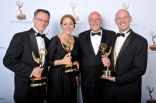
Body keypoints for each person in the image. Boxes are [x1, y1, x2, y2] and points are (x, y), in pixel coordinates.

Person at [3, 9, 50, 103]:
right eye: (40, 19)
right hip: (25, 91)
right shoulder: (20, 37)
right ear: (33, 20)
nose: (43, 23)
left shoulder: (47, 41)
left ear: (48, 23)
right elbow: (8, 60)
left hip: (41, 92)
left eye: (46, 21)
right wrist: (31, 71)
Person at [101, 9, 148, 103]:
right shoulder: (113, 38)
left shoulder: (140, 41)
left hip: (128, 91)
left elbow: (139, 69)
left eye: (125, 17)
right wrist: (109, 62)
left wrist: (117, 79)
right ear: (115, 21)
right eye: (119, 18)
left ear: (130, 19)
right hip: (110, 89)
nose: (122, 20)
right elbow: (117, 59)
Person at [79, 11, 115, 103]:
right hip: (87, 80)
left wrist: (110, 62)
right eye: (92, 19)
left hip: (106, 80)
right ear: (88, 21)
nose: (94, 21)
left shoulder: (111, 35)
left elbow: (117, 54)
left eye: (97, 19)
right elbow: (79, 56)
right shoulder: (81, 36)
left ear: (101, 20)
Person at [47, 14, 79, 103]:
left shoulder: (77, 40)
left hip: (71, 77)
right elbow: (47, 61)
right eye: (65, 24)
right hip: (57, 76)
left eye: (71, 24)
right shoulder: (54, 40)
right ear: (61, 25)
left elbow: (76, 57)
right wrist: (62, 61)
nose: (68, 26)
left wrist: (76, 62)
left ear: (74, 25)